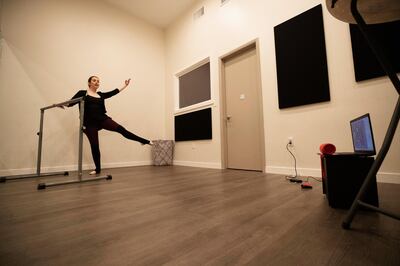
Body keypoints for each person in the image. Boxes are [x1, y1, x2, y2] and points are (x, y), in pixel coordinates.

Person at [66, 76, 152, 175]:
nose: (97, 82)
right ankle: (97, 169)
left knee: (122, 130)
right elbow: (70, 103)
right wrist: (61, 104)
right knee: (95, 146)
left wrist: (125, 85)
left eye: (98, 81)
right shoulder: (82, 93)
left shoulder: (100, 95)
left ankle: (143, 141)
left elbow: (113, 92)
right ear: (89, 83)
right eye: (94, 80)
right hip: (89, 124)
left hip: (102, 119)